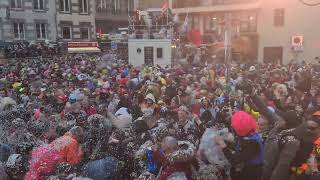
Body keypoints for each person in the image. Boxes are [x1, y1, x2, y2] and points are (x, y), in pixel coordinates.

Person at [263, 111, 320, 180]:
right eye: (307, 127)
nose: (308, 130)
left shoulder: (309, 141)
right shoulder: (295, 139)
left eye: (312, 128)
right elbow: (281, 167)